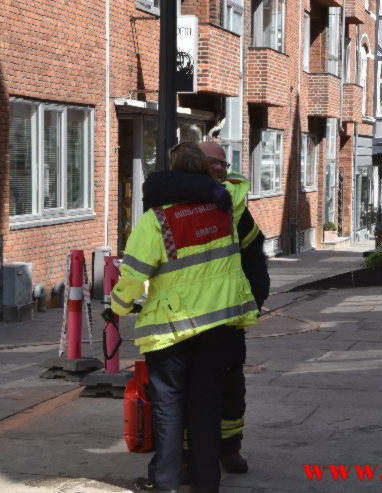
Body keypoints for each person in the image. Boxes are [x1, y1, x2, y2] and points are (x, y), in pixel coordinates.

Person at [109, 143, 259, 493]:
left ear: (171, 174)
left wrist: (117, 307)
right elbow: (237, 180)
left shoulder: (157, 220)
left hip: (172, 333)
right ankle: (208, 484)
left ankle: (166, 483)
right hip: (219, 330)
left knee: (169, 409)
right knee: (207, 408)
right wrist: (210, 184)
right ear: (209, 172)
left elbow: (133, 276)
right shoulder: (228, 208)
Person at [142, 140, 270, 477]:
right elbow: (157, 184)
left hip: (227, 313)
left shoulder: (230, 203)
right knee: (191, 392)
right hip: (181, 317)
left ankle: (229, 447)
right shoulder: (170, 198)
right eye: (213, 162)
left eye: (224, 164)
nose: (221, 169)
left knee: (228, 387)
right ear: (197, 164)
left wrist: (254, 301)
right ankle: (189, 455)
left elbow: (254, 255)